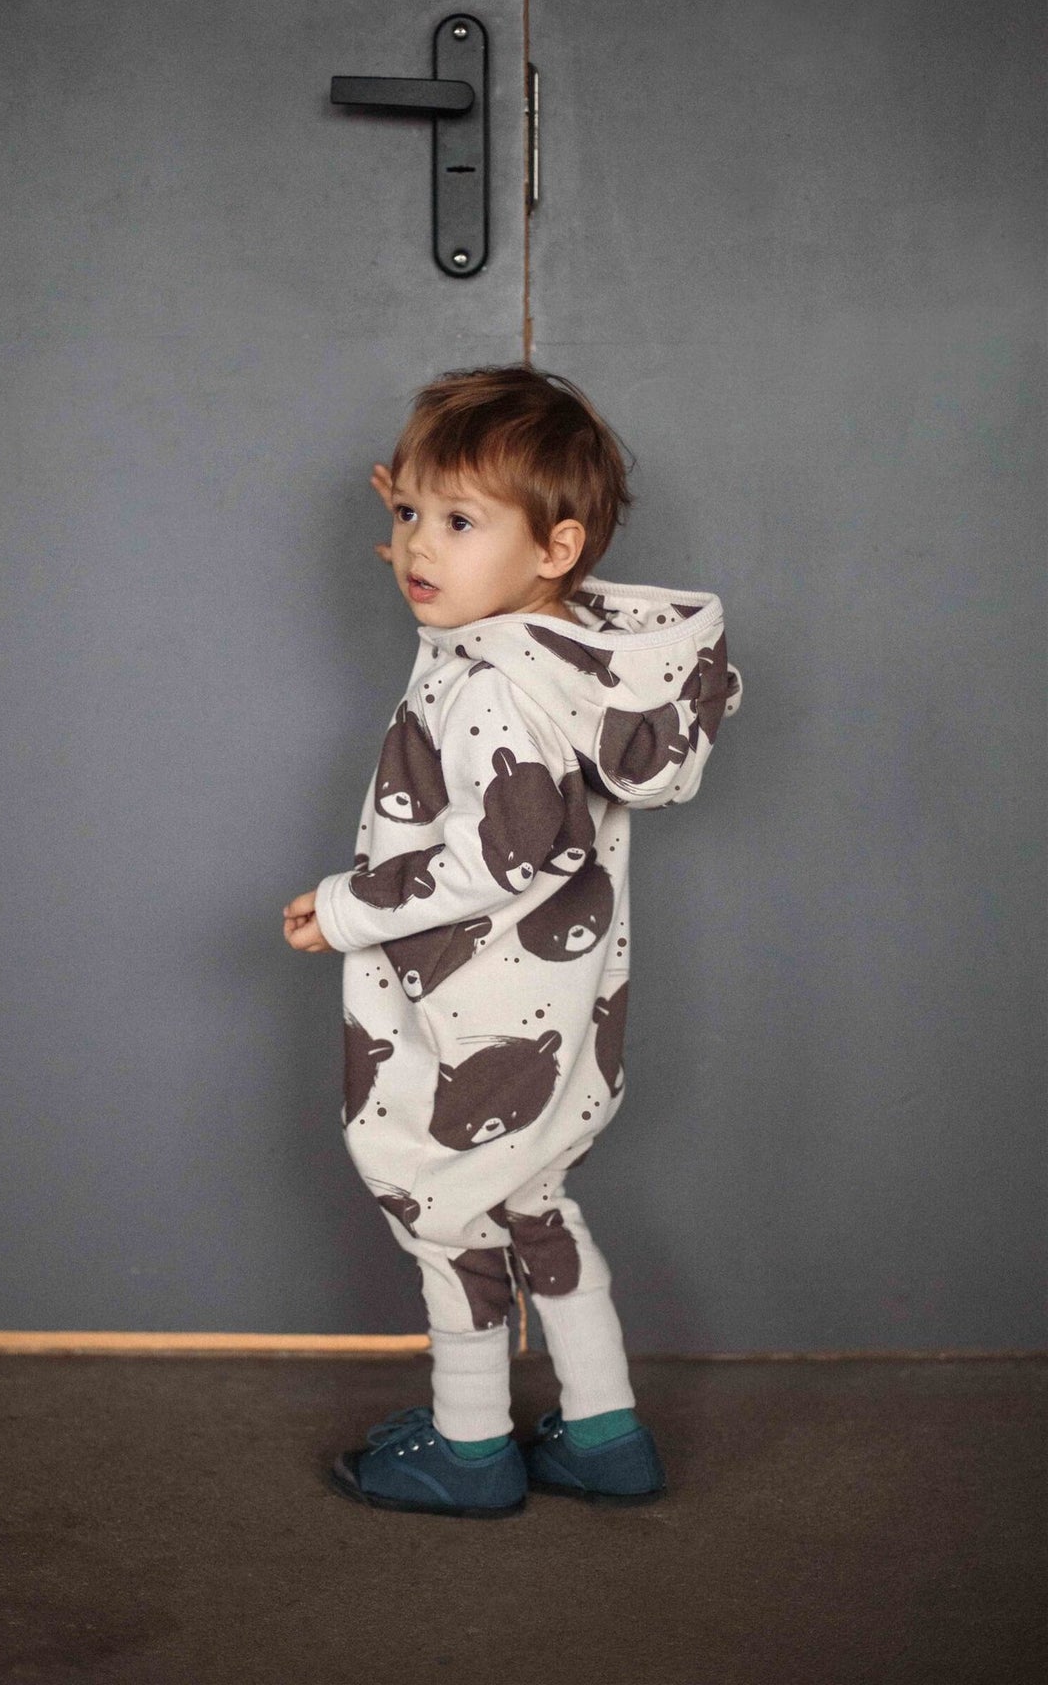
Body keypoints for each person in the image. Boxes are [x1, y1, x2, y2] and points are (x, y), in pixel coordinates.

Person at [283, 365, 741, 1517]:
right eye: (405, 517)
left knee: (445, 1213)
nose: (416, 551)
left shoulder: (486, 684)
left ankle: (471, 1444)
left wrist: (346, 908)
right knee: (537, 1206)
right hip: (565, 1013)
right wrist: (442, 513)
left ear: (556, 546)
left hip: (471, 1024)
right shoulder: (567, 648)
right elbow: (541, 819)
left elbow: (507, 852)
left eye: (456, 522)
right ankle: (603, 1431)